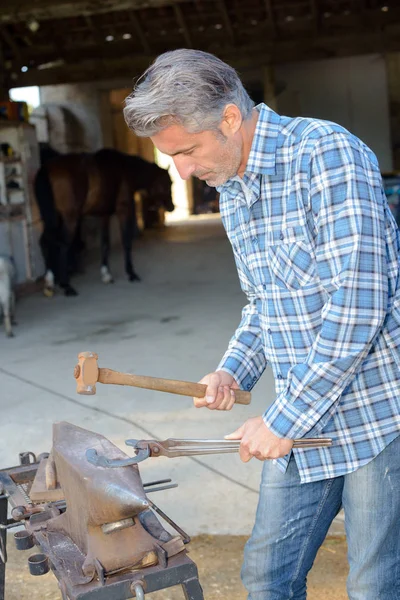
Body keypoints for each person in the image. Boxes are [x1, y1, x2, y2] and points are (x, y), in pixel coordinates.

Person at [124, 49, 400, 600]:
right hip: (299, 420)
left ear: (230, 118)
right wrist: (233, 370)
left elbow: (360, 306)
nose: (182, 171)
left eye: (187, 151)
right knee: (267, 577)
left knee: (374, 586)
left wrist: (283, 421)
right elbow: (264, 302)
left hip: (378, 419)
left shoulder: (327, 155)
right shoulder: (233, 189)